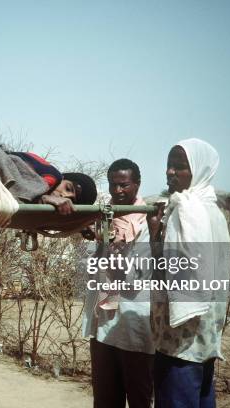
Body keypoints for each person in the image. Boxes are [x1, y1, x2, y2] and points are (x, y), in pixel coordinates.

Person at [147, 139, 230, 408]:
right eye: (169, 166)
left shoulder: (186, 211)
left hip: (179, 340)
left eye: (179, 167)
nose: (170, 172)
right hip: (204, 336)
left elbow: (178, 272)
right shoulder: (212, 210)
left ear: (199, 170)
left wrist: (154, 239)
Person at [82, 159, 154, 408]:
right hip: (103, 322)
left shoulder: (146, 222)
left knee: (138, 396)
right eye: (113, 185)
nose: (118, 191)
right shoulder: (105, 216)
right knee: (104, 398)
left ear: (137, 184)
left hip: (133, 323)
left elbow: (139, 279)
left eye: (124, 185)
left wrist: (116, 258)